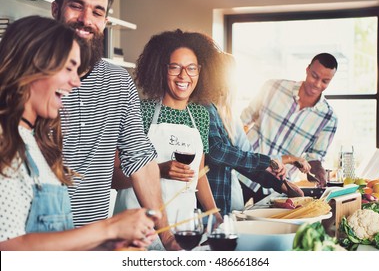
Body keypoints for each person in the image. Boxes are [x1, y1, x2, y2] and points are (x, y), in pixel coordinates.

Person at [0, 15, 160, 251]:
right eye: (69, 69)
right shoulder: (5, 141)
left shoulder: (33, 142)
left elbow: (47, 243)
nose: (76, 82)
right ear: (32, 65)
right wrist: (109, 228)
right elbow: (7, 248)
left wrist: (106, 246)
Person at [51, 0, 177, 249]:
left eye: (97, 12)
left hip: (96, 245)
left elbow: (140, 159)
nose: (86, 19)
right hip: (34, 244)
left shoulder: (118, 81)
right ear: (55, 10)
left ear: (105, 21)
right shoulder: (25, 80)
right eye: (76, 6)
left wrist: (167, 237)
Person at [113, 29, 223, 250]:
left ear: (201, 71)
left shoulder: (200, 115)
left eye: (191, 68)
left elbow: (198, 174)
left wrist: (215, 214)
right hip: (137, 229)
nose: (184, 76)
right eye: (175, 67)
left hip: (184, 228)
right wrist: (159, 170)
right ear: (161, 69)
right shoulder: (139, 112)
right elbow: (113, 177)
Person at [205, 53, 302, 215]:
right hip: (207, 208)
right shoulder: (203, 108)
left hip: (223, 204)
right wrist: (266, 161)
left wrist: (280, 185)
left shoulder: (224, 114)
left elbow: (240, 162)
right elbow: (217, 152)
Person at [241, 53, 338, 199]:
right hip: (243, 171)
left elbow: (314, 157)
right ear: (307, 69)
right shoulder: (273, 87)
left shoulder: (329, 118)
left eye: (325, 81)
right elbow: (243, 120)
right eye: (314, 76)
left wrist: (319, 171)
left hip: (276, 186)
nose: (317, 84)